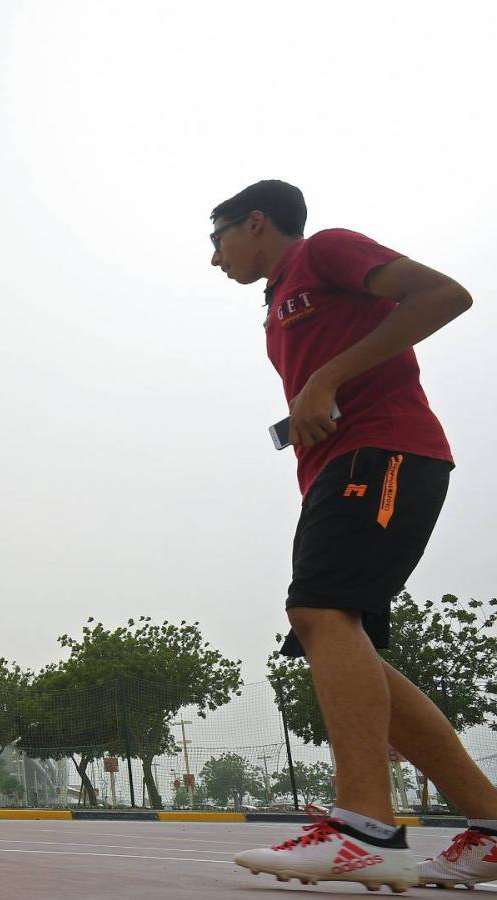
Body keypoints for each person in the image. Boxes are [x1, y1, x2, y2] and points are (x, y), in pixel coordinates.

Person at [208, 181, 495, 889]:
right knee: (341, 641)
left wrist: (327, 378)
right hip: (345, 468)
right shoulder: (279, 302)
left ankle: (366, 828)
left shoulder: (324, 252)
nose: (213, 260)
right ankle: (492, 827)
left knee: (320, 615)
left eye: (216, 240)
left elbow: (445, 295)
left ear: (256, 222)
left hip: (386, 452)